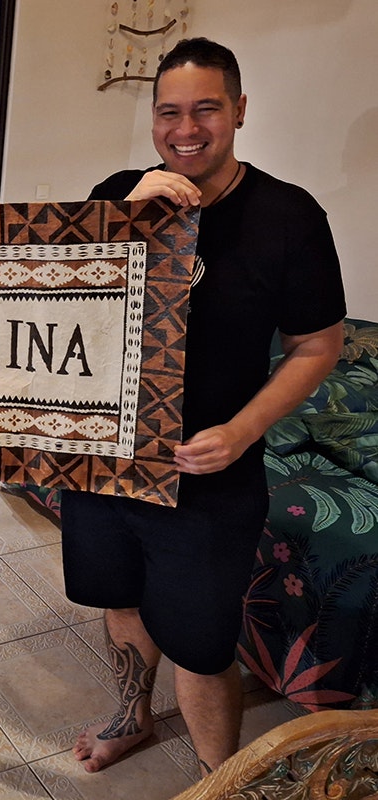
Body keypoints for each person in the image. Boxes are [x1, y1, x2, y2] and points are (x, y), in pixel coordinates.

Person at [62, 38, 345, 776]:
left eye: (205, 109)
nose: (184, 129)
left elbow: (317, 345)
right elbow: (66, 310)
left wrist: (243, 429)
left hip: (209, 473)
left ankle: (219, 781)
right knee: (118, 597)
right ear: (152, 120)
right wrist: (123, 219)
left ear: (239, 111)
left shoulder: (287, 216)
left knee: (198, 640)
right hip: (106, 455)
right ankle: (131, 719)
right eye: (169, 113)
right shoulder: (120, 190)